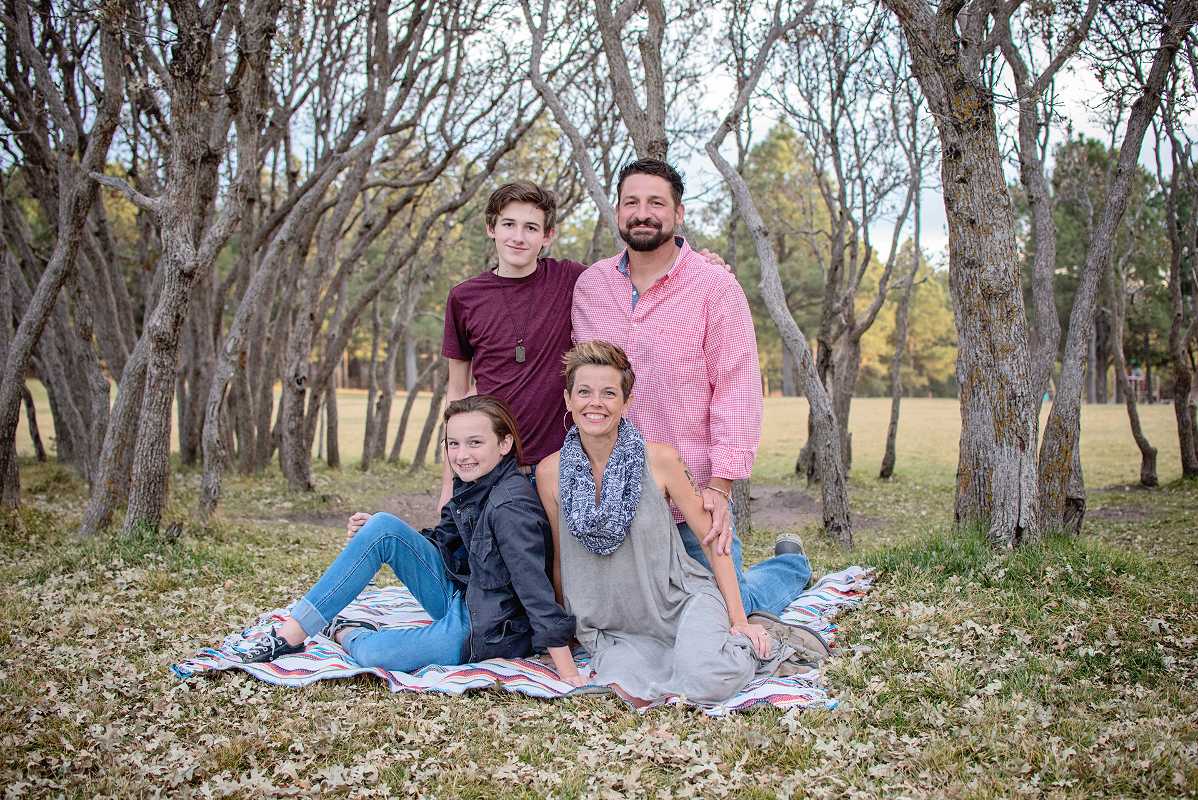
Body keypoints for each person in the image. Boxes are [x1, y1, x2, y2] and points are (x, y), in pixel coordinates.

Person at [572, 158, 812, 620]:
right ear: (618, 212)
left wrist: (720, 489)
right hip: (615, 495)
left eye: (656, 203)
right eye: (632, 202)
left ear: (678, 213)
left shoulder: (713, 285)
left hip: (693, 492)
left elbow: (738, 388)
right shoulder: (590, 287)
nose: (643, 213)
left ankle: (790, 566)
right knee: (633, 613)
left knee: (727, 608)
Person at [536, 342, 829, 704]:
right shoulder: (549, 473)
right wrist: (565, 625)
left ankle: (764, 638)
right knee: (629, 691)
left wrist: (738, 619)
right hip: (615, 625)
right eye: (584, 392)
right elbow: (561, 556)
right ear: (567, 400)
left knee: (709, 680)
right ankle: (706, 645)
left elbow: (711, 538)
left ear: (626, 403)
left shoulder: (660, 460)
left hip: (680, 601)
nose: (595, 403)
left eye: (609, 393)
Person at [240, 396, 582, 682]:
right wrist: (373, 538)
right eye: (454, 444)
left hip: (489, 628)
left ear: (504, 444)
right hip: (464, 593)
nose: (462, 454)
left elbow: (534, 589)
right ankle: (291, 635)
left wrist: (568, 673)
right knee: (382, 526)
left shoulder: (511, 506)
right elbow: (442, 542)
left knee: (372, 652)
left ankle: (345, 630)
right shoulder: (474, 481)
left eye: (475, 443)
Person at [439, 181, 728, 508]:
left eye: (531, 227)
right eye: (508, 224)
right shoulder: (464, 298)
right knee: (485, 555)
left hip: (561, 462)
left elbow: (632, 273)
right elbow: (458, 394)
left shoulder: (574, 280)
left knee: (560, 557)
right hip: (493, 462)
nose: (518, 237)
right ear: (491, 228)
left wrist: (701, 268)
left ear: (547, 236)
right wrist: (449, 484)